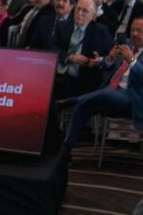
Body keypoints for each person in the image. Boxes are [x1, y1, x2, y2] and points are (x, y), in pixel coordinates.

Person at [61, 16, 143, 151]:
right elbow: (107, 65)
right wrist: (109, 58)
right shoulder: (126, 45)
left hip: (132, 99)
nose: (134, 34)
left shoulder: (130, 53)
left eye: (139, 31)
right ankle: (66, 149)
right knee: (82, 107)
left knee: (105, 93)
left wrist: (131, 60)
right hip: (109, 94)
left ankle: (74, 100)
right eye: (133, 30)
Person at [51, 0, 113, 99]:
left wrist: (100, 60)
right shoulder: (62, 26)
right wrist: (70, 57)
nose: (79, 13)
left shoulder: (101, 31)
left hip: (86, 81)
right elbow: (51, 47)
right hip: (60, 77)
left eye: (85, 11)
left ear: (93, 16)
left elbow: (114, 53)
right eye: (78, 9)